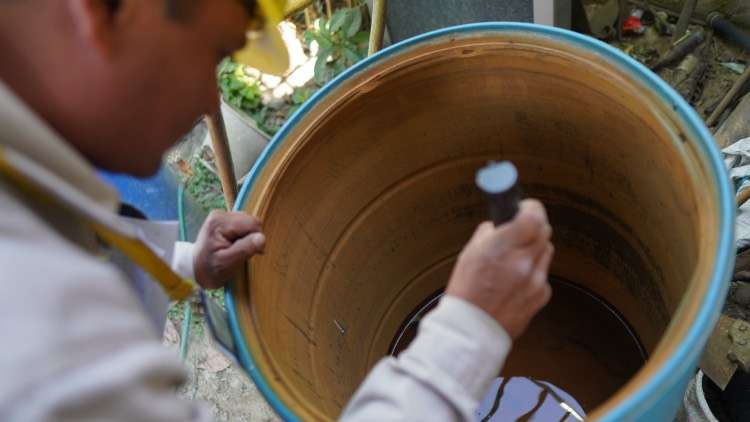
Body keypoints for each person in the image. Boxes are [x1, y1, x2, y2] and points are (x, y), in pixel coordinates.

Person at [0, 1, 553, 421]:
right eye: (212, 54)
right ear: (99, 13)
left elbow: (85, 237)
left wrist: (186, 262)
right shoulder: (42, 351)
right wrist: (467, 331)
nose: (208, 101)